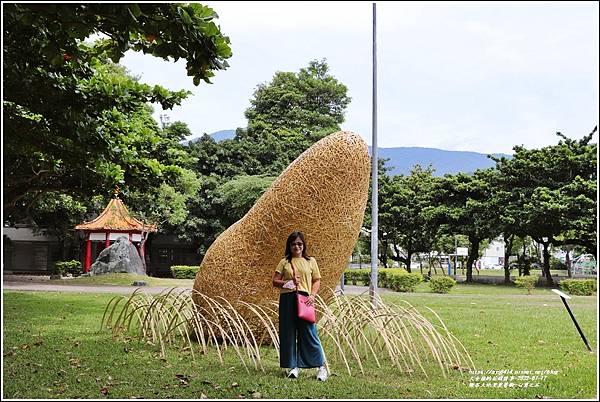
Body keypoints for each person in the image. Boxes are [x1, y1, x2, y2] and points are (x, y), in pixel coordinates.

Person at [272, 231, 328, 381]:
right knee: (288, 333)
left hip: (304, 299)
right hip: (287, 299)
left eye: (299, 244)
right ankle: (293, 367)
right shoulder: (284, 262)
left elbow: (317, 280)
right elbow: (275, 281)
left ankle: (321, 367)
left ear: (303, 245)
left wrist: (312, 295)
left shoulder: (311, 261)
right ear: (289, 246)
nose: (296, 246)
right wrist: (287, 282)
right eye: (293, 244)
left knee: (309, 332)